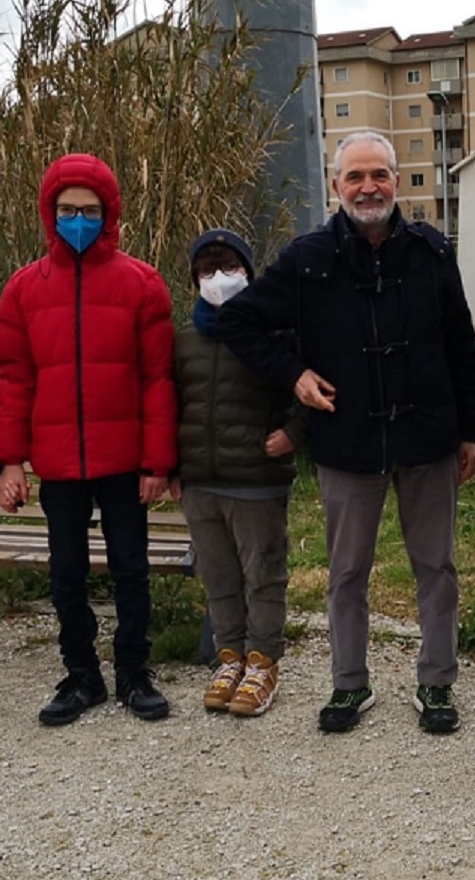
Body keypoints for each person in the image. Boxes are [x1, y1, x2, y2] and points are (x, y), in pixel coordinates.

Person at [217, 132, 475, 735]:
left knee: (436, 567)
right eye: (356, 177)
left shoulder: (432, 252)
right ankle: (349, 683)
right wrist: (295, 374)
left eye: (379, 175)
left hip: (427, 438)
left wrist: (468, 431)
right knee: (346, 573)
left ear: (397, 181)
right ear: (337, 186)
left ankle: (437, 681)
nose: (368, 187)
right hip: (347, 441)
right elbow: (239, 322)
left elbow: (460, 346)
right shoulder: (307, 258)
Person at [0, 153, 177, 725]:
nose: (79, 220)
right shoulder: (23, 290)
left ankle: (133, 672)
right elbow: (13, 380)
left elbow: (157, 380)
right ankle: (81, 676)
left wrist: (157, 462)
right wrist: (10, 461)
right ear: (49, 213)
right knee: (66, 575)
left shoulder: (141, 284)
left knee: (130, 569)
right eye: (68, 209)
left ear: (110, 214)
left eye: (91, 210)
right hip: (58, 465)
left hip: (124, 463)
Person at [171, 228, 305, 717]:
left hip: (256, 479)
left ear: (249, 273)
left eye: (230, 267)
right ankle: (229, 657)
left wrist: (293, 434)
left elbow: (310, 388)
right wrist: (170, 465)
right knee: (219, 577)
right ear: (195, 280)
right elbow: (170, 404)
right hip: (199, 480)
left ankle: (263, 661)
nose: (219, 278)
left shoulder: (275, 334)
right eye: (208, 270)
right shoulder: (183, 341)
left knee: (263, 575)